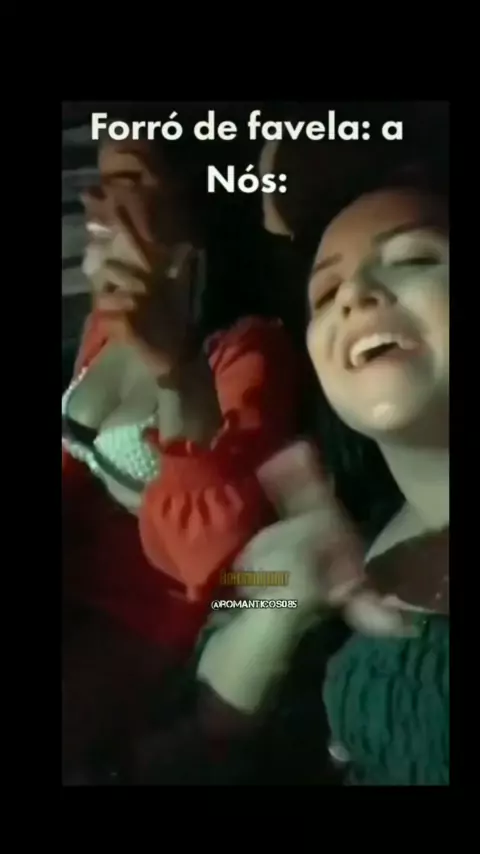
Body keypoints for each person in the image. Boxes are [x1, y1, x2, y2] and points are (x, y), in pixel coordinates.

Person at [196, 177, 449, 785]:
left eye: (413, 259)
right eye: (326, 293)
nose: (353, 296)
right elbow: (205, 704)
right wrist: (274, 613)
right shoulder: (345, 515)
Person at [61, 133, 299, 782]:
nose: (94, 196)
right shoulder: (107, 321)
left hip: (159, 614)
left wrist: (176, 372)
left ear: (192, 201)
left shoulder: (248, 352)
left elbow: (213, 558)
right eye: (99, 177)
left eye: (128, 178)